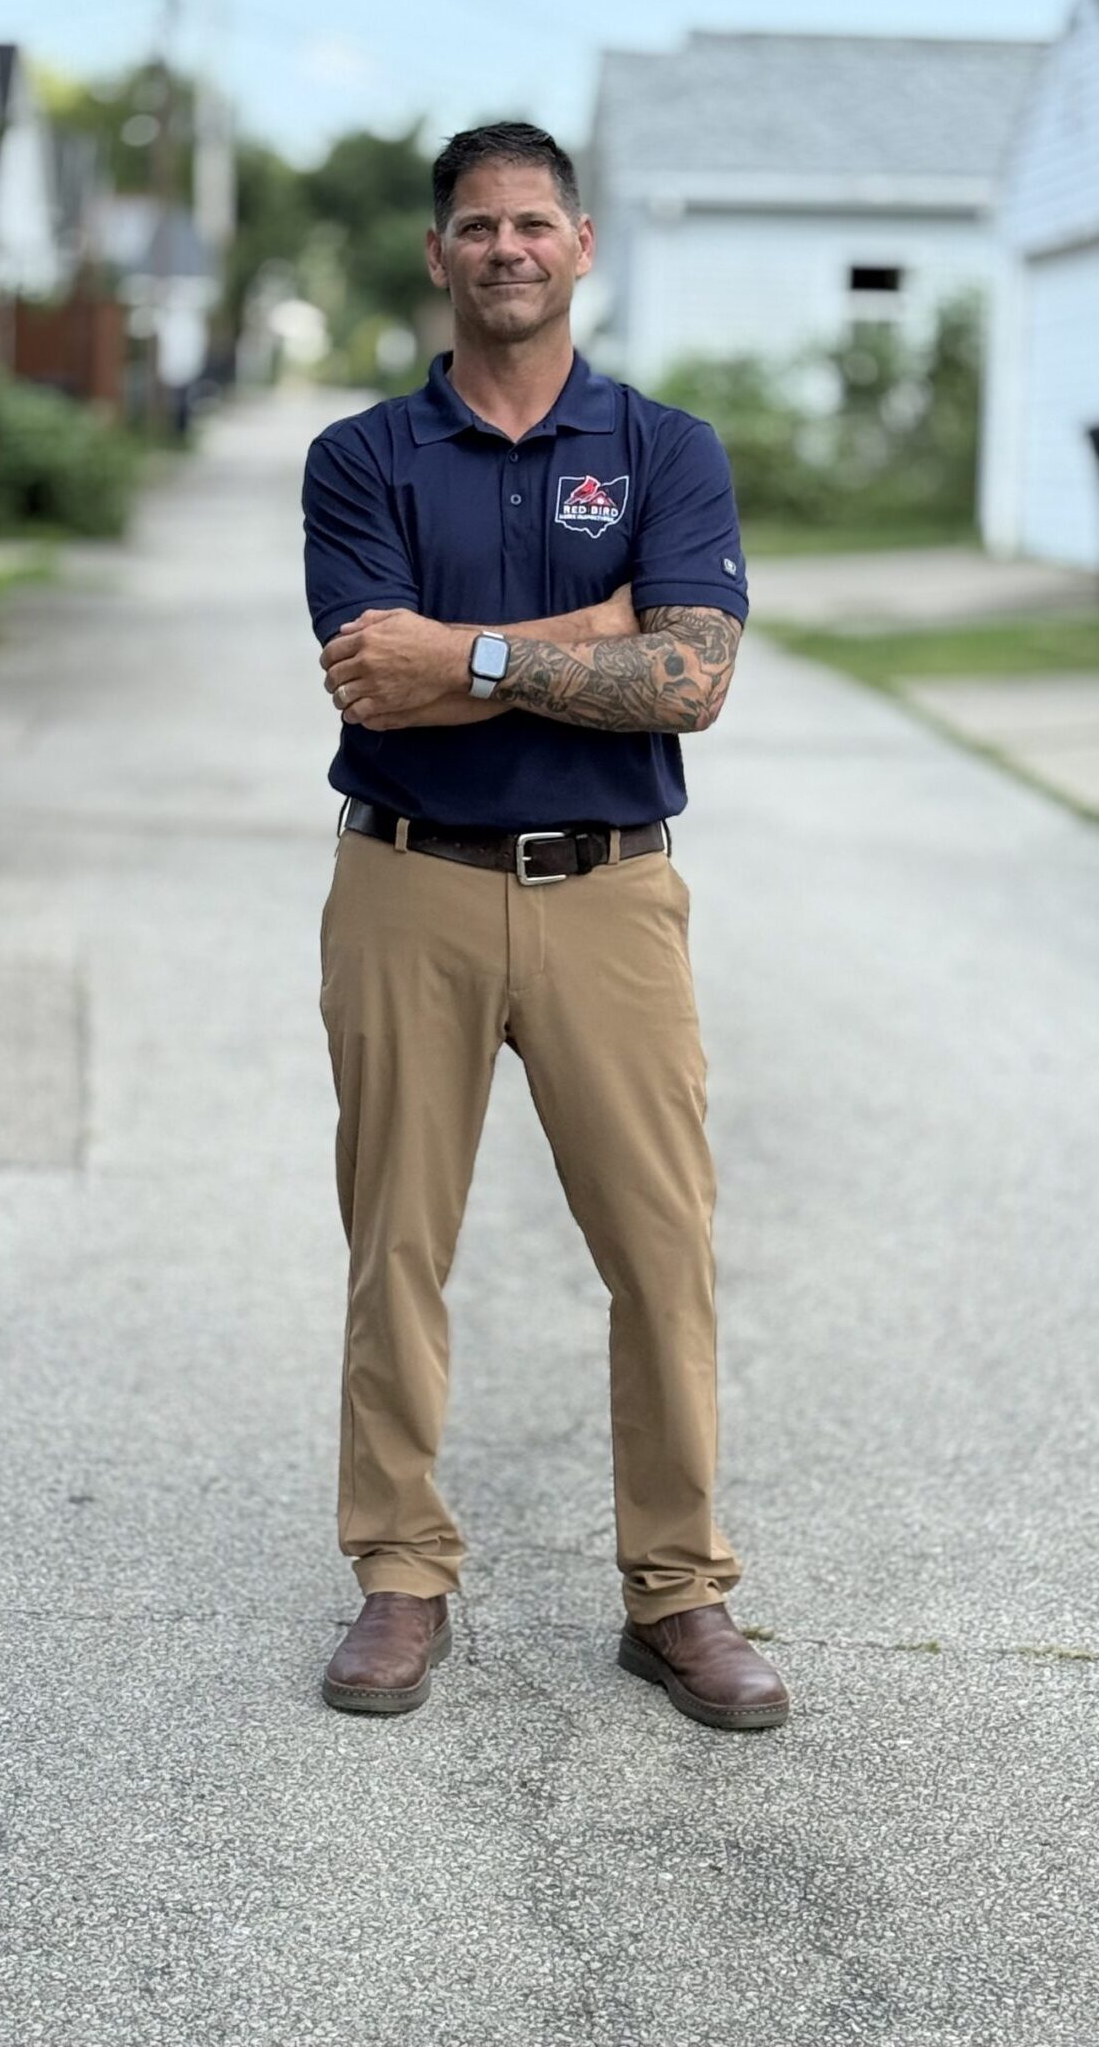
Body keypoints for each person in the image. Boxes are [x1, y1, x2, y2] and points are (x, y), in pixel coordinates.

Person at [303, 121, 788, 1731]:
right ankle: (400, 1573)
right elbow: (378, 670)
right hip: (407, 882)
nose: (505, 248)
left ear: (584, 246)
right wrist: (592, 628)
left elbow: (694, 679)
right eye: (476, 227)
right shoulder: (364, 458)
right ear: (439, 257)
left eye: (533, 223)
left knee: (663, 1255)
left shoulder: (667, 449)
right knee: (399, 1244)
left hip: (611, 893)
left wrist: (482, 659)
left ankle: (680, 1594)